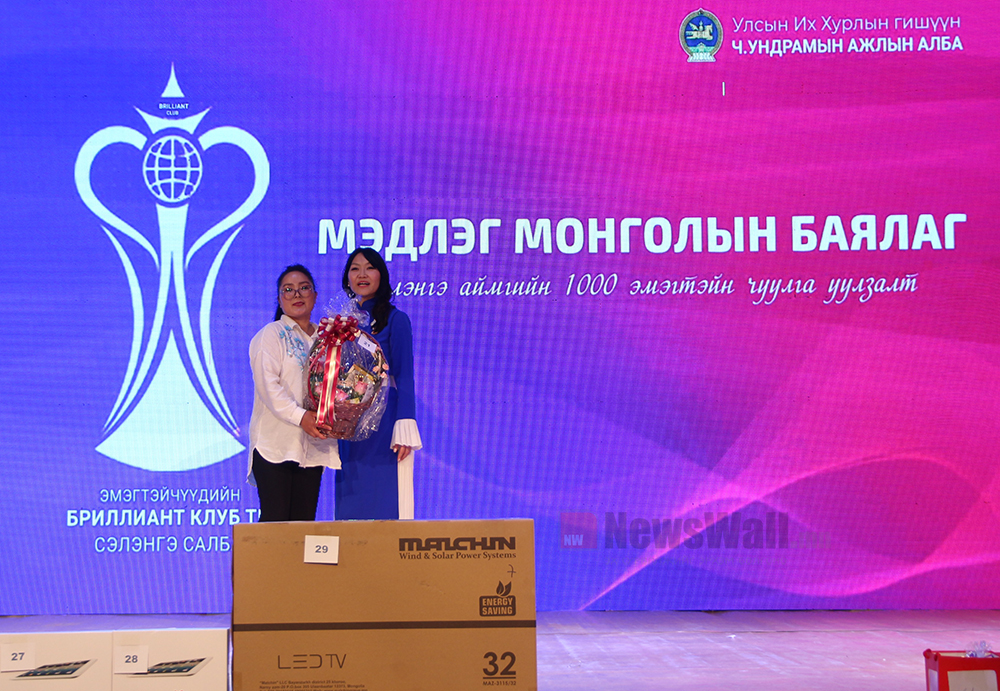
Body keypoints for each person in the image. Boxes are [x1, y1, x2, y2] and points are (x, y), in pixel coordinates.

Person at [335, 248, 422, 520]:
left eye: (369, 267)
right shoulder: (341, 325)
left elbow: (405, 375)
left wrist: (404, 427)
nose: (362, 274)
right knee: (351, 507)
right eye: (355, 268)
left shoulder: (396, 319)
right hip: (349, 425)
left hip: (384, 424)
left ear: (381, 275)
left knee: (386, 503)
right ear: (347, 278)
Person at [248, 264, 339, 521]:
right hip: (276, 445)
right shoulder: (270, 335)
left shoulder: (328, 340)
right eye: (288, 290)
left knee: (303, 527)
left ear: (315, 295)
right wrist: (301, 417)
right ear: (279, 299)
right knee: (275, 526)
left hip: (313, 445)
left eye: (304, 288)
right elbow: (269, 387)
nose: (297, 295)